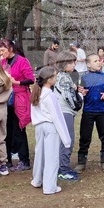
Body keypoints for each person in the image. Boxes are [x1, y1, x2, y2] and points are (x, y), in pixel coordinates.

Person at [30, 66, 73, 195]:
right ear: (49, 80)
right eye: (55, 76)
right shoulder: (50, 96)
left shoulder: (37, 93)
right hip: (50, 127)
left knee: (40, 154)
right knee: (51, 156)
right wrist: (66, 139)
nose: (56, 78)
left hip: (39, 127)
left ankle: (37, 180)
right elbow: (57, 117)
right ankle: (49, 187)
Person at [0, 38, 35, 171]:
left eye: (3, 50)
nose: (1, 53)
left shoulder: (22, 61)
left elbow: (31, 79)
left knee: (19, 130)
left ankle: (24, 161)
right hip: (5, 99)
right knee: (6, 130)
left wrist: (16, 82)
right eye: (0, 50)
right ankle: (7, 159)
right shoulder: (2, 62)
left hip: (19, 98)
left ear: (10, 49)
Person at [77, 54, 104, 173]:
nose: (98, 62)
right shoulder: (84, 77)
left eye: (99, 60)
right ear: (88, 64)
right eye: (95, 61)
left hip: (102, 111)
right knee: (85, 137)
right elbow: (80, 89)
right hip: (88, 111)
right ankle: (81, 162)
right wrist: (81, 91)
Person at [53, 51, 84, 181]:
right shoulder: (64, 77)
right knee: (67, 140)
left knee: (64, 140)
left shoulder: (62, 76)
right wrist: (78, 102)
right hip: (65, 112)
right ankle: (63, 169)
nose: (73, 64)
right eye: (71, 62)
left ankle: (62, 167)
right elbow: (67, 97)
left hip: (63, 111)